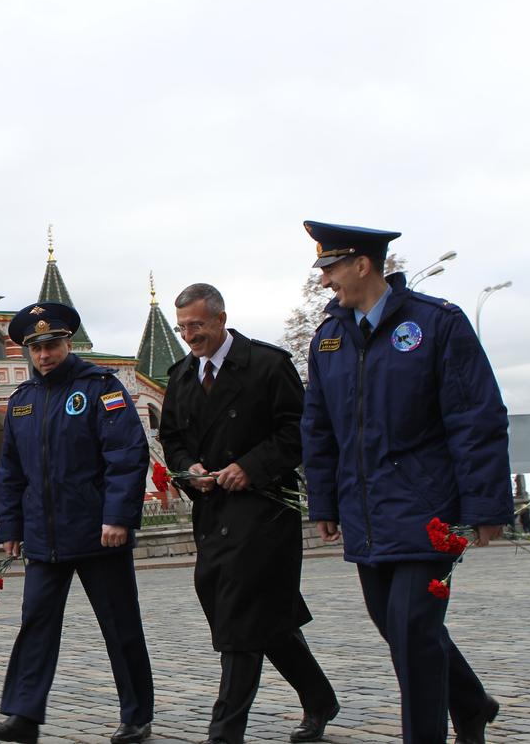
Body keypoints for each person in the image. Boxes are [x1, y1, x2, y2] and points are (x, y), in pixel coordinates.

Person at [300, 221, 512, 744]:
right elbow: (319, 427)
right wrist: (324, 500)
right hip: (366, 512)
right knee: (400, 628)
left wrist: (487, 506)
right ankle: (470, 704)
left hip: (428, 508)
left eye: (331, 268)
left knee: (414, 633)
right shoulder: (328, 339)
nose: (326, 281)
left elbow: (475, 417)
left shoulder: (436, 323)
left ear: (363, 264)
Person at [159, 284, 337, 744]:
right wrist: (187, 470)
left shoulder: (267, 364)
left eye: (196, 326)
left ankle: (225, 732)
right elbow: (173, 439)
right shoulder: (180, 376)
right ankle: (319, 698)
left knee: (241, 617)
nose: (190, 337)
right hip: (212, 510)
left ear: (220, 318)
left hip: (264, 511)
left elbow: (298, 430)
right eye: (182, 329)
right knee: (262, 618)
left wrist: (251, 467)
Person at [0, 302, 154, 744]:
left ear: (67, 343)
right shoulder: (21, 401)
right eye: (36, 347)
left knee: (120, 626)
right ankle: (23, 716)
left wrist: (118, 516)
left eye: (52, 344)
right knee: (35, 625)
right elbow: (11, 472)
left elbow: (126, 454)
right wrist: (11, 528)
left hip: (99, 532)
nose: (44, 354)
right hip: (43, 536)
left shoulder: (100, 388)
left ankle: (136, 715)